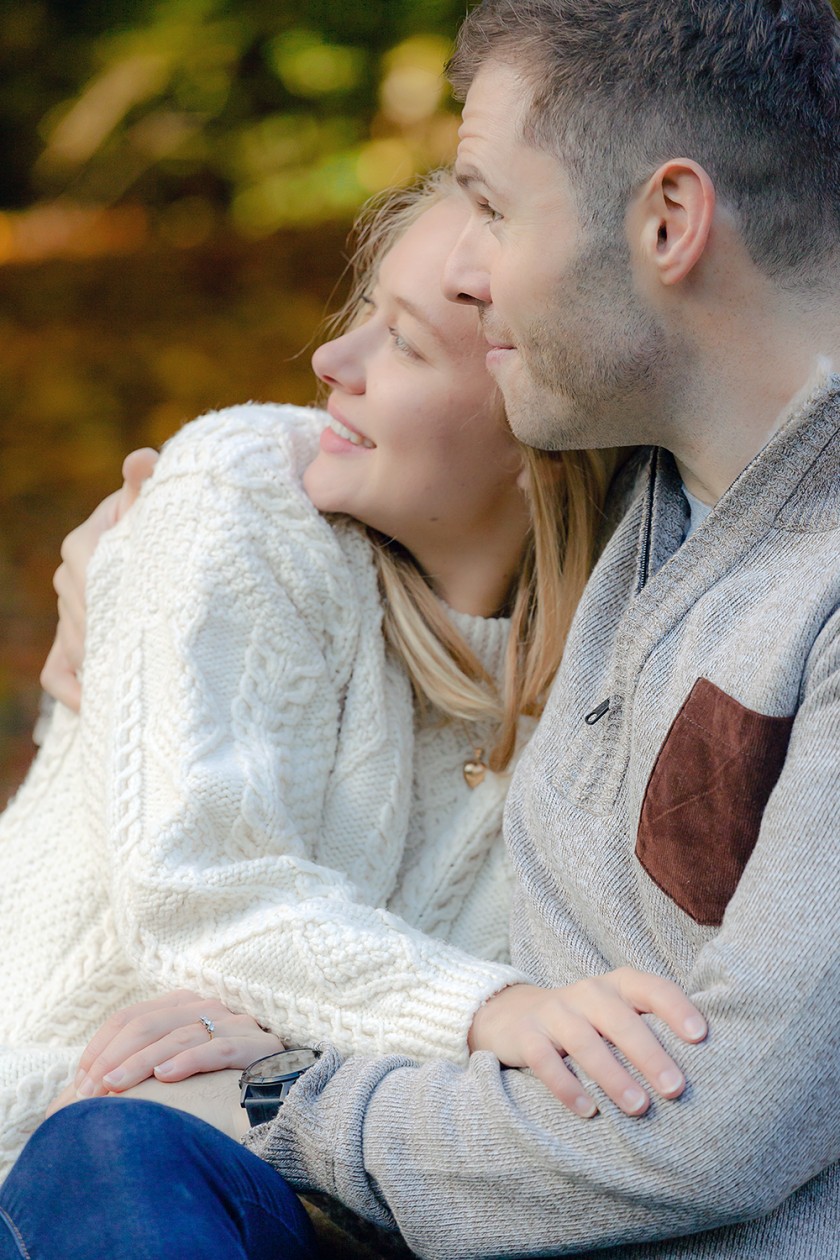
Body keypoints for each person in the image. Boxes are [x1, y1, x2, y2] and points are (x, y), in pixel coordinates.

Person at [4, 0, 838, 1254]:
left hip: (449, 1180)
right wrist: (139, 565)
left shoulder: (726, 562)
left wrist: (291, 1087)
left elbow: (714, 1123)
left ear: (669, 223)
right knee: (107, 1155)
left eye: (496, 211)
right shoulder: (644, 493)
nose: (480, 268)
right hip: (234, 1155)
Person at [0, 170, 703, 1193]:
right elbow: (201, 898)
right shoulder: (239, 494)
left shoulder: (633, 665)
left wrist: (286, 1034)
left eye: (405, 343)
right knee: (119, 1160)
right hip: (54, 1129)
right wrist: (483, 1011)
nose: (333, 360)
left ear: (539, 424)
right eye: (365, 315)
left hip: (339, 1179)